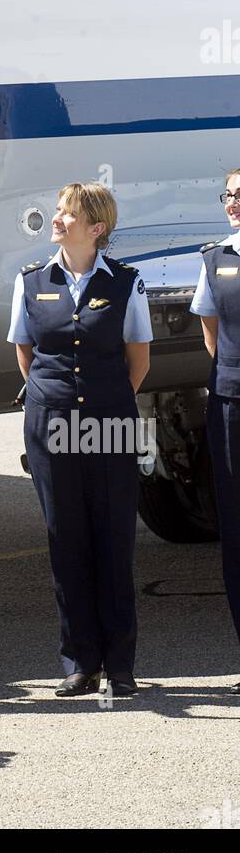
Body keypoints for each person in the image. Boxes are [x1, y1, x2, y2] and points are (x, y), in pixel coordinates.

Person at [7, 181, 152, 697]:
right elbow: (26, 353)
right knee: (65, 539)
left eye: (68, 214)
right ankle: (79, 662)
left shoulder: (125, 282)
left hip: (108, 424)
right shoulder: (30, 281)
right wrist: (57, 399)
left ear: (97, 228)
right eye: (58, 212)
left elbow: (138, 357)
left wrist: (104, 398)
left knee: (113, 539)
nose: (57, 220)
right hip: (50, 424)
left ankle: (120, 665)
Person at [190, 166, 240, 694]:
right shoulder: (215, 258)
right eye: (227, 194)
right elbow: (211, 328)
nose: (232, 203)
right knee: (235, 529)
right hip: (230, 401)